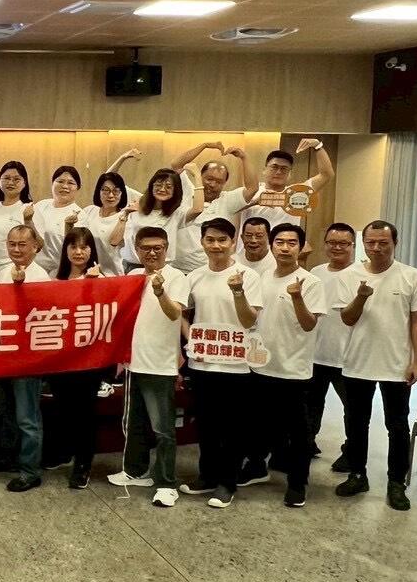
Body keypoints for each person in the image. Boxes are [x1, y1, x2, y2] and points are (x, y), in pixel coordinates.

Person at [335, 219, 417, 512]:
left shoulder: (411, 276)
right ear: (363, 244)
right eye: (371, 243)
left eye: (383, 243)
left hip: (396, 364)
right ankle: (357, 475)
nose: (376, 248)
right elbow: (347, 318)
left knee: (397, 425)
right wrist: (361, 297)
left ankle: (396, 482)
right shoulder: (349, 275)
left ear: (395, 244)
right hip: (357, 362)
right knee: (356, 422)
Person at [181, 218, 263, 509]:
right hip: (202, 363)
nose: (216, 246)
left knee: (233, 427)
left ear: (233, 242)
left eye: (222, 240)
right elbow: (182, 313)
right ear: (202, 242)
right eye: (210, 240)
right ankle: (207, 476)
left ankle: (227, 483)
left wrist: (238, 291)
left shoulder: (248, 276)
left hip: (236, 365)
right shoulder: (195, 276)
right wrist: (191, 338)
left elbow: (250, 320)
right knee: (206, 424)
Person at [106, 227, 190, 507]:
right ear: (137, 250)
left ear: (166, 248)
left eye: (158, 248)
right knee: (134, 424)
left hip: (160, 365)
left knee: (163, 429)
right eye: (145, 248)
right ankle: (136, 471)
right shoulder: (133, 276)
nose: (152, 253)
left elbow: (174, 313)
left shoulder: (176, 277)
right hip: (133, 361)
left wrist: (160, 291)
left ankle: (167, 483)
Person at [253, 223, 328, 508]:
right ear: (271, 246)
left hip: (294, 369)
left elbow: (309, 325)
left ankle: (298, 483)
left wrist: (296, 296)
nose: (285, 248)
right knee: (260, 424)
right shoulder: (262, 277)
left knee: (299, 432)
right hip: (261, 364)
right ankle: (256, 468)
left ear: (301, 247)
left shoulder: (311, 282)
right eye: (280, 242)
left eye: (292, 243)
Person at [45, 228, 108, 489]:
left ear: (92, 250)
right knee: (63, 405)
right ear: (66, 250)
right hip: (61, 356)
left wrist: (92, 284)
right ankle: (64, 452)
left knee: (84, 410)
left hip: (88, 358)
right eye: (73, 246)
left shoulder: (101, 278)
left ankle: (84, 463)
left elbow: (104, 314)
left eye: (84, 247)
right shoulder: (56, 278)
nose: (79, 252)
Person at [0, 225, 50, 492]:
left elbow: (41, 317)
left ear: (35, 247)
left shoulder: (41, 276)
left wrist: (20, 286)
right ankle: (9, 458)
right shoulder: (3, 271)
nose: (16, 249)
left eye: (22, 244)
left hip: (28, 356)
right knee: (6, 412)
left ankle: (30, 471)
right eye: (11, 243)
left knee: (27, 417)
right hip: (4, 351)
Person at [311, 222, 358, 470]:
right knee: (311, 406)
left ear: (353, 246)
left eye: (343, 243)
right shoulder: (315, 273)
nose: (337, 248)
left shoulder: (361, 274)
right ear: (325, 245)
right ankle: (305, 444)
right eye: (332, 243)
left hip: (348, 357)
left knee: (353, 410)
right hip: (315, 353)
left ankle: (352, 452)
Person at [170, 140, 255, 273]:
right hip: (177, 269)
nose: (213, 184)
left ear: (224, 183)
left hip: (210, 270)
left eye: (219, 182)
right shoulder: (186, 190)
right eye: (209, 179)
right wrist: (205, 145)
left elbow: (252, 188)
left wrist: (244, 157)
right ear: (200, 176)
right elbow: (176, 165)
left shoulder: (228, 200)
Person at [115, 168, 200, 271]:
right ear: (151, 186)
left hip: (161, 268)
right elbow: (109, 179)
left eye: (168, 187)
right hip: (133, 266)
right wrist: (122, 159)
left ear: (175, 191)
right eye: (158, 185)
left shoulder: (176, 214)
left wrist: (197, 176)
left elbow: (198, 209)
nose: (162, 189)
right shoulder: (137, 202)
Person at [243, 138, 334, 230]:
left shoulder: (297, 192)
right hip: (252, 239)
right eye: (274, 167)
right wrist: (255, 202)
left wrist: (317, 146)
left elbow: (326, 175)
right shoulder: (250, 191)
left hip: (287, 238)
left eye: (284, 168)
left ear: (290, 173)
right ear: (264, 170)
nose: (278, 172)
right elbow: (234, 209)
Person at [0, 160, 38, 283]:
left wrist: (28, 221)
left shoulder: (28, 208)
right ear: (0, 181)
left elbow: (39, 244)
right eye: (6, 178)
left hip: (12, 272)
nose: (10, 182)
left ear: (24, 183)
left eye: (16, 179)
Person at [31, 165, 85, 275]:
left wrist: (68, 227)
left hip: (59, 272)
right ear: (52, 184)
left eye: (71, 183)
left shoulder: (80, 215)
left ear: (78, 188)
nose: (65, 186)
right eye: (60, 181)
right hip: (33, 270)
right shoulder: (41, 205)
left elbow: (75, 248)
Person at [78, 171, 134, 277]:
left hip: (111, 275)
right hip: (86, 273)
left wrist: (124, 216)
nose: (111, 195)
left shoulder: (126, 218)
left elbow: (114, 242)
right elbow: (77, 238)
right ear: (98, 191)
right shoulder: (89, 211)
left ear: (122, 193)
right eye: (106, 190)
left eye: (116, 191)